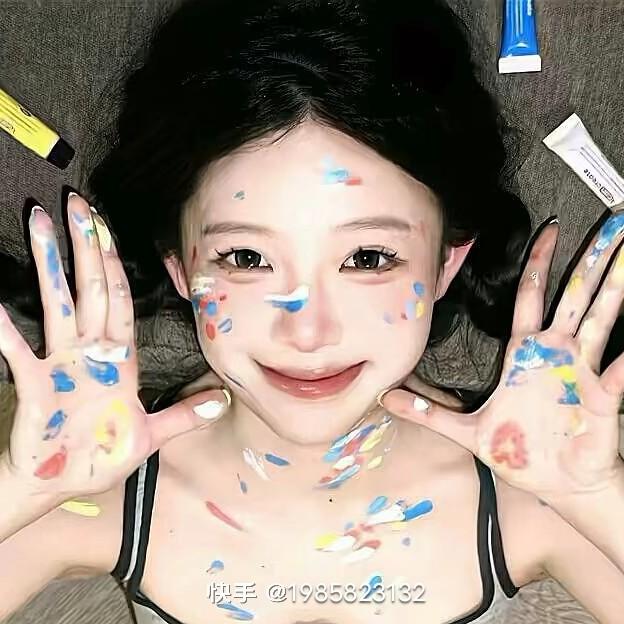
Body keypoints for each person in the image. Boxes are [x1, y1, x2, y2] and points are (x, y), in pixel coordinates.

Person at [1, 1, 623, 623]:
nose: (307, 332)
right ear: (180, 268)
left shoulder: (530, 495)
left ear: (445, 266)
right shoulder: (99, 488)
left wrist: (596, 495)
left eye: (368, 257)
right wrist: (22, 489)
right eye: (246, 257)